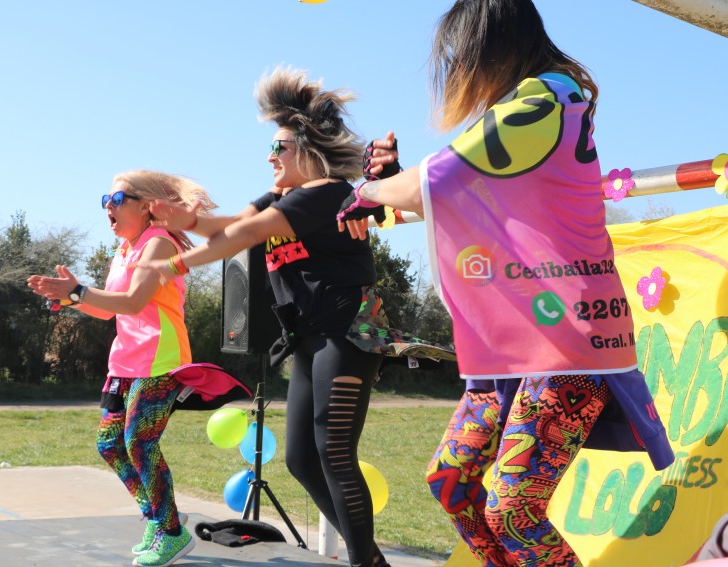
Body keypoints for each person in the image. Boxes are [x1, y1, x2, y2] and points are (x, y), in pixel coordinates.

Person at [336, 1, 674, 566]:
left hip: (569, 339)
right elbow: (444, 189)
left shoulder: (547, 98)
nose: (457, 70)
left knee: (514, 513)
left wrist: (370, 191)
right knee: (452, 480)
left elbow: (435, 181)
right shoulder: (533, 104)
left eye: (460, 55)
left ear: (489, 45)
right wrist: (391, 183)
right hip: (518, 340)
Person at [136, 66, 395, 567]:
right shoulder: (278, 198)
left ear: (308, 151)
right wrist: (179, 217)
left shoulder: (325, 193)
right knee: (301, 459)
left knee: (334, 454)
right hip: (310, 340)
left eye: (280, 147)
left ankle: (366, 564)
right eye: (270, 147)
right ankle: (374, 561)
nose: (270, 156)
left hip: (348, 335)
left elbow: (246, 236)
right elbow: (221, 226)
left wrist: (172, 265)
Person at [27, 170, 217, 567]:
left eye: (116, 200)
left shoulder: (159, 245)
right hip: (126, 362)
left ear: (146, 206)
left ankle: (172, 532)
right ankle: (157, 517)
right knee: (110, 445)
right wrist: (73, 298)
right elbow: (107, 308)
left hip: (161, 360)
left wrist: (77, 291)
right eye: (105, 201)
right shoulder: (125, 249)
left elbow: (133, 301)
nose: (107, 208)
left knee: (140, 444)